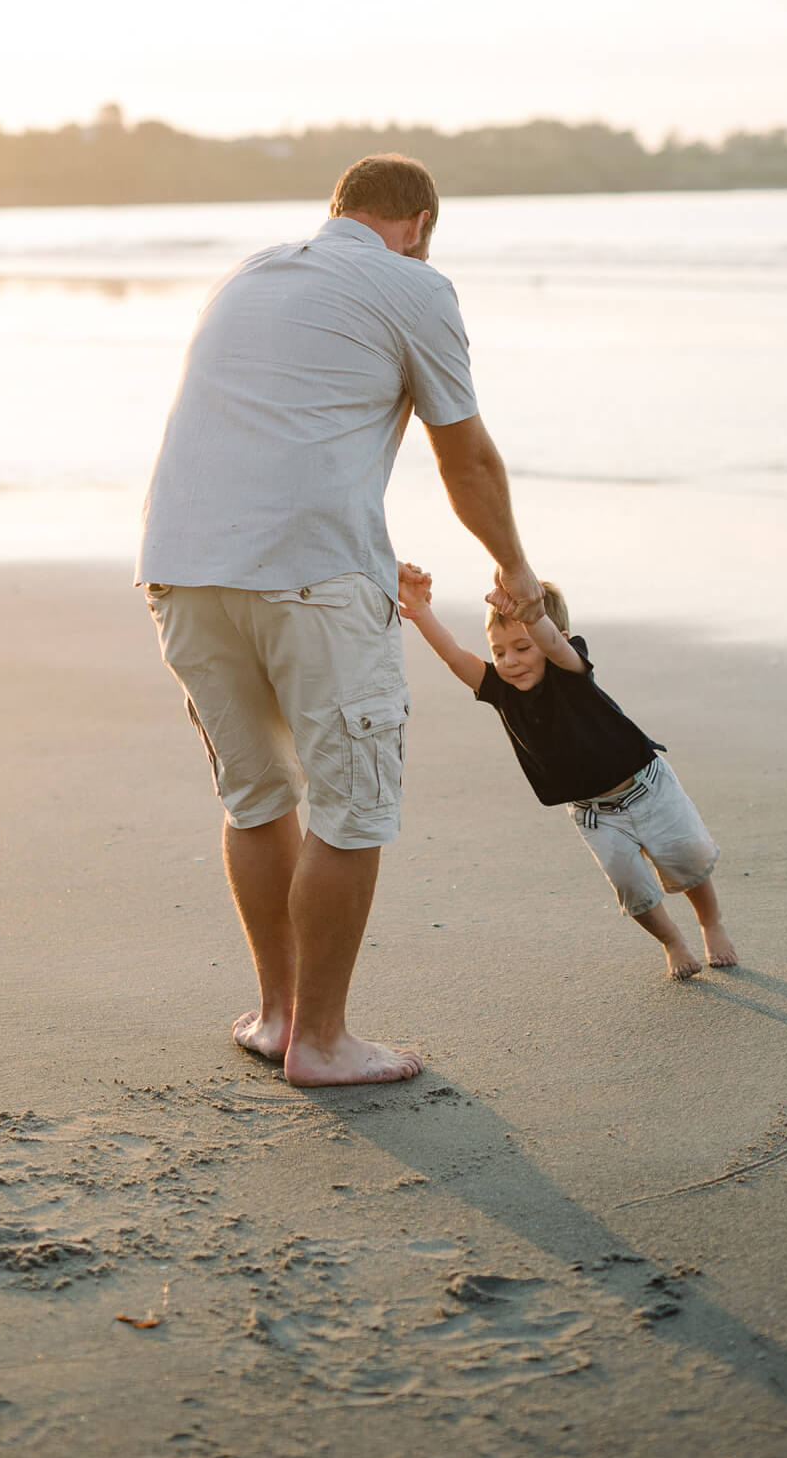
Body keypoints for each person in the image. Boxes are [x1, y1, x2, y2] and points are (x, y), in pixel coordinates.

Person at [138, 154, 545, 1087]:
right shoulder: (413, 284)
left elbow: (272, 434)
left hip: (182, 569)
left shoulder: (246, 275)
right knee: (352, 809)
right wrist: (514, 567)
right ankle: (323, 1043)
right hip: (313, 578)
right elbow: (466, 458)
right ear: (419, 223)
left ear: (337, 212)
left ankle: (280, 1018)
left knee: (256, 795)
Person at [397, 565, 738, 979]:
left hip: (649, 788)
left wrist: (530, 611)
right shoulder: (501, 692)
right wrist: (420, 611)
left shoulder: (569, 669)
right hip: (594, 813)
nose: (510, 661)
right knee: (633, 890)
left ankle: (710, 923)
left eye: (522, 648)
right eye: (499, 650)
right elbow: (454, 655)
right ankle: (672, 941)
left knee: (690, 863)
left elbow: (551, 641)